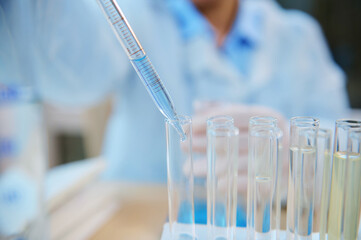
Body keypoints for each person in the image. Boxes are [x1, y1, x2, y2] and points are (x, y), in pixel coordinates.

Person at [1, 0, 348, 201]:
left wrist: (300, 162)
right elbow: (59, 64)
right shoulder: (134, 14)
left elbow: (345, 146)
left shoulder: (297, 35)